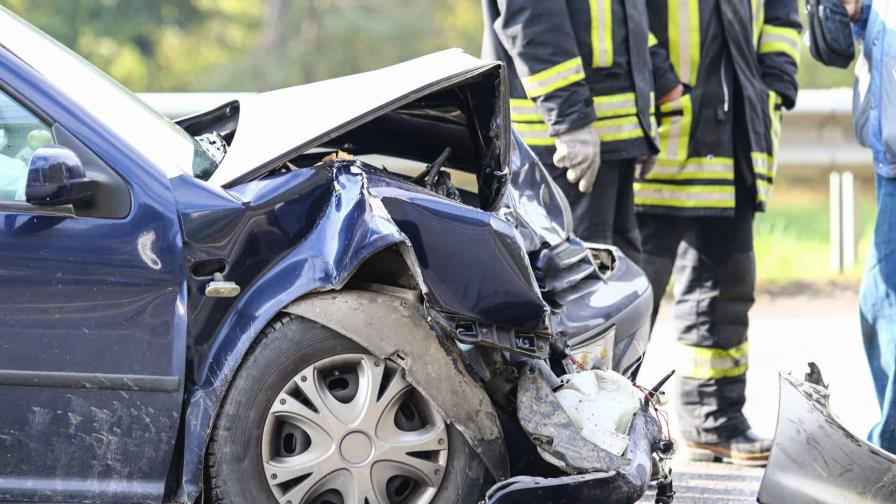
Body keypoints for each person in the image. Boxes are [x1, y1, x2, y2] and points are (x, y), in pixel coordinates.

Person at [638, 0, 801, 464]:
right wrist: (664, 82)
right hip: (661, 136)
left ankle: (716, 422)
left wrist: (775, 84)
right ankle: (598, 425)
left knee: (725, 289)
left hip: (737, 135)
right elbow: (620, 17)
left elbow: (782, 18)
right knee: (629, 299)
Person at [480, 0, 680, 265]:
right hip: (559, 145)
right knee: (575, 282)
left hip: (607, 141)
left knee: (615, 276)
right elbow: (534, 25)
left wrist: (641, 119)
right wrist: (571, 120)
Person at [842, 0, 896, 454]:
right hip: (890, 161)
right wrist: (859, 16)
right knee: (880, 304)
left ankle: (890, 448)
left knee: (886, 303)